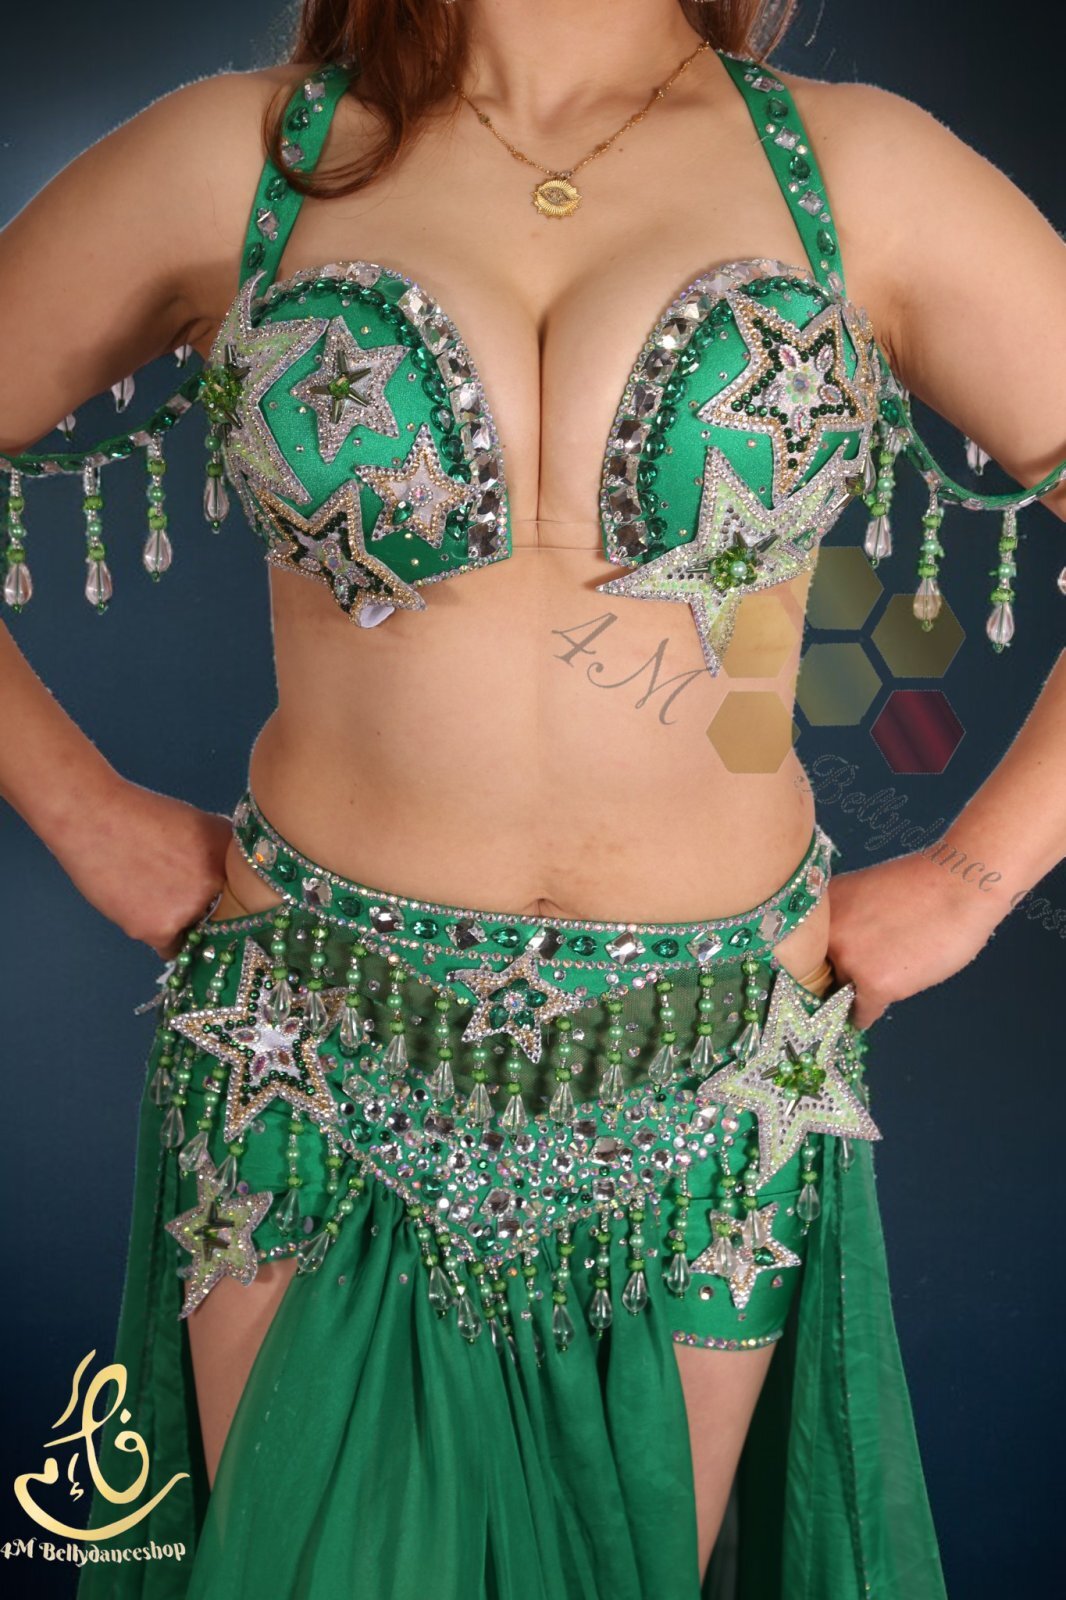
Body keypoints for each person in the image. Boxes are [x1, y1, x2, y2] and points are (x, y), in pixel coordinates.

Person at [1, 1, 1064, 1596]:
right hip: (314, 1039)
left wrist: (977, 880)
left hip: (704, 1074)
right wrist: (79, 811)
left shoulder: (860, 174)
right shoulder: (245, 158)